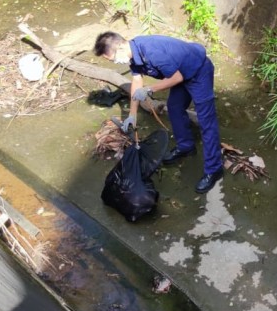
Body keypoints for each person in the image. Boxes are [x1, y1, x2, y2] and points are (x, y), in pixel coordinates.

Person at [94, 31, 224, 194]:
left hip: (198, 72)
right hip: (180, 73)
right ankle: (186, 146)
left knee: (206, 121)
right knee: (175, 108)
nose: (115, 62)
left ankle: (214, 169)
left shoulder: (151, 52)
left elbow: (176, 78)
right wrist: (132, 115)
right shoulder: (133, 54)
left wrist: (150, 89)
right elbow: (136, 81)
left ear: (120, 46)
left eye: (113, 58)